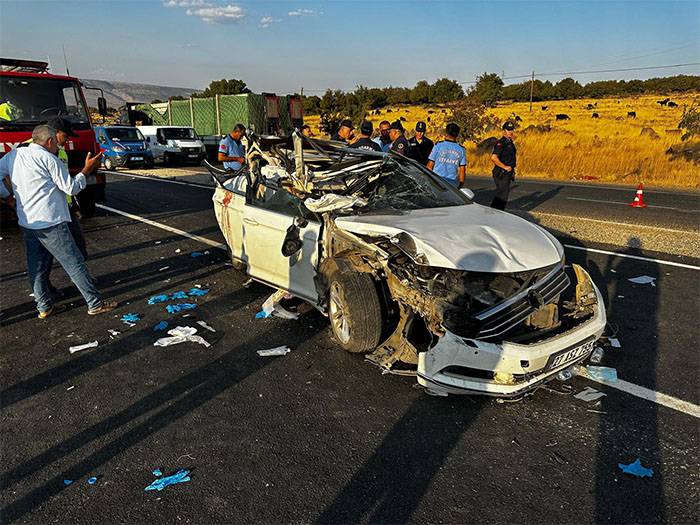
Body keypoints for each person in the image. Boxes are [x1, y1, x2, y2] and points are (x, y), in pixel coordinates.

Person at [0, 125, 117, 318]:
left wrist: (8, 197)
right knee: (74, 263)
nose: (58, 145)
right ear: (49, 142)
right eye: (55, 141)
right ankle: (94, 303)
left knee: (37, 267)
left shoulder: (14, 156)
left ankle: (44, 307)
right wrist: (86, 170)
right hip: (51, 222)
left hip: (28, 222)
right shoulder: (48, 158)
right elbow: (70, 188)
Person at [426, 123, 466, 187]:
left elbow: (430, 164)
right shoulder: (461, 150)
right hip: (452, 184)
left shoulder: (438, 145)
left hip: (436, 181)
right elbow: (462, 170)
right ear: (457, 134)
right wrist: (460, 185)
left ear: (446, 133)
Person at [490, 121, 517, 210]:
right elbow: (494, 158)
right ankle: (495, 212)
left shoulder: (510, 142)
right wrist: (505, 167)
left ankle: (496, 212)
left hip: (507, 172)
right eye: (508, 130)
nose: (511, 132)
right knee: (502, 194)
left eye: (512, 130)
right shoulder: (501, 143)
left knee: (503, 194)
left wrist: (512, 170)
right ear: (504, 131)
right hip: (501, 172)